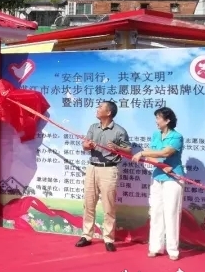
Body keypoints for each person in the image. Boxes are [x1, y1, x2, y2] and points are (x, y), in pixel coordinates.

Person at [75, 100, 131, 252]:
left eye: (100, 107)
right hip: (92, 167)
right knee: (89, 203)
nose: (97, 109)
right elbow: (85, 145)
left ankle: (108, 238)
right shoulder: (93, 127)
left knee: (108, 206)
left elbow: (128, 151)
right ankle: (86, 236)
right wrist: (88, 145)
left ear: (109, 112)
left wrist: (117, 148)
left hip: (109, 169)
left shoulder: (119, 131)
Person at [132, 107, 185, 260]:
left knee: (171, 214)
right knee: (155, 213)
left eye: (158, 118)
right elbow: (152, 156)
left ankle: (173, 250)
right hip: (157, 177)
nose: (156, 121)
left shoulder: (177, 136)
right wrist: (161, 165)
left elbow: (165, 152)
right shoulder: (156, 135)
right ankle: (155, 247)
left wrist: (142, 152)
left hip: (173, 179)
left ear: (167, 120)